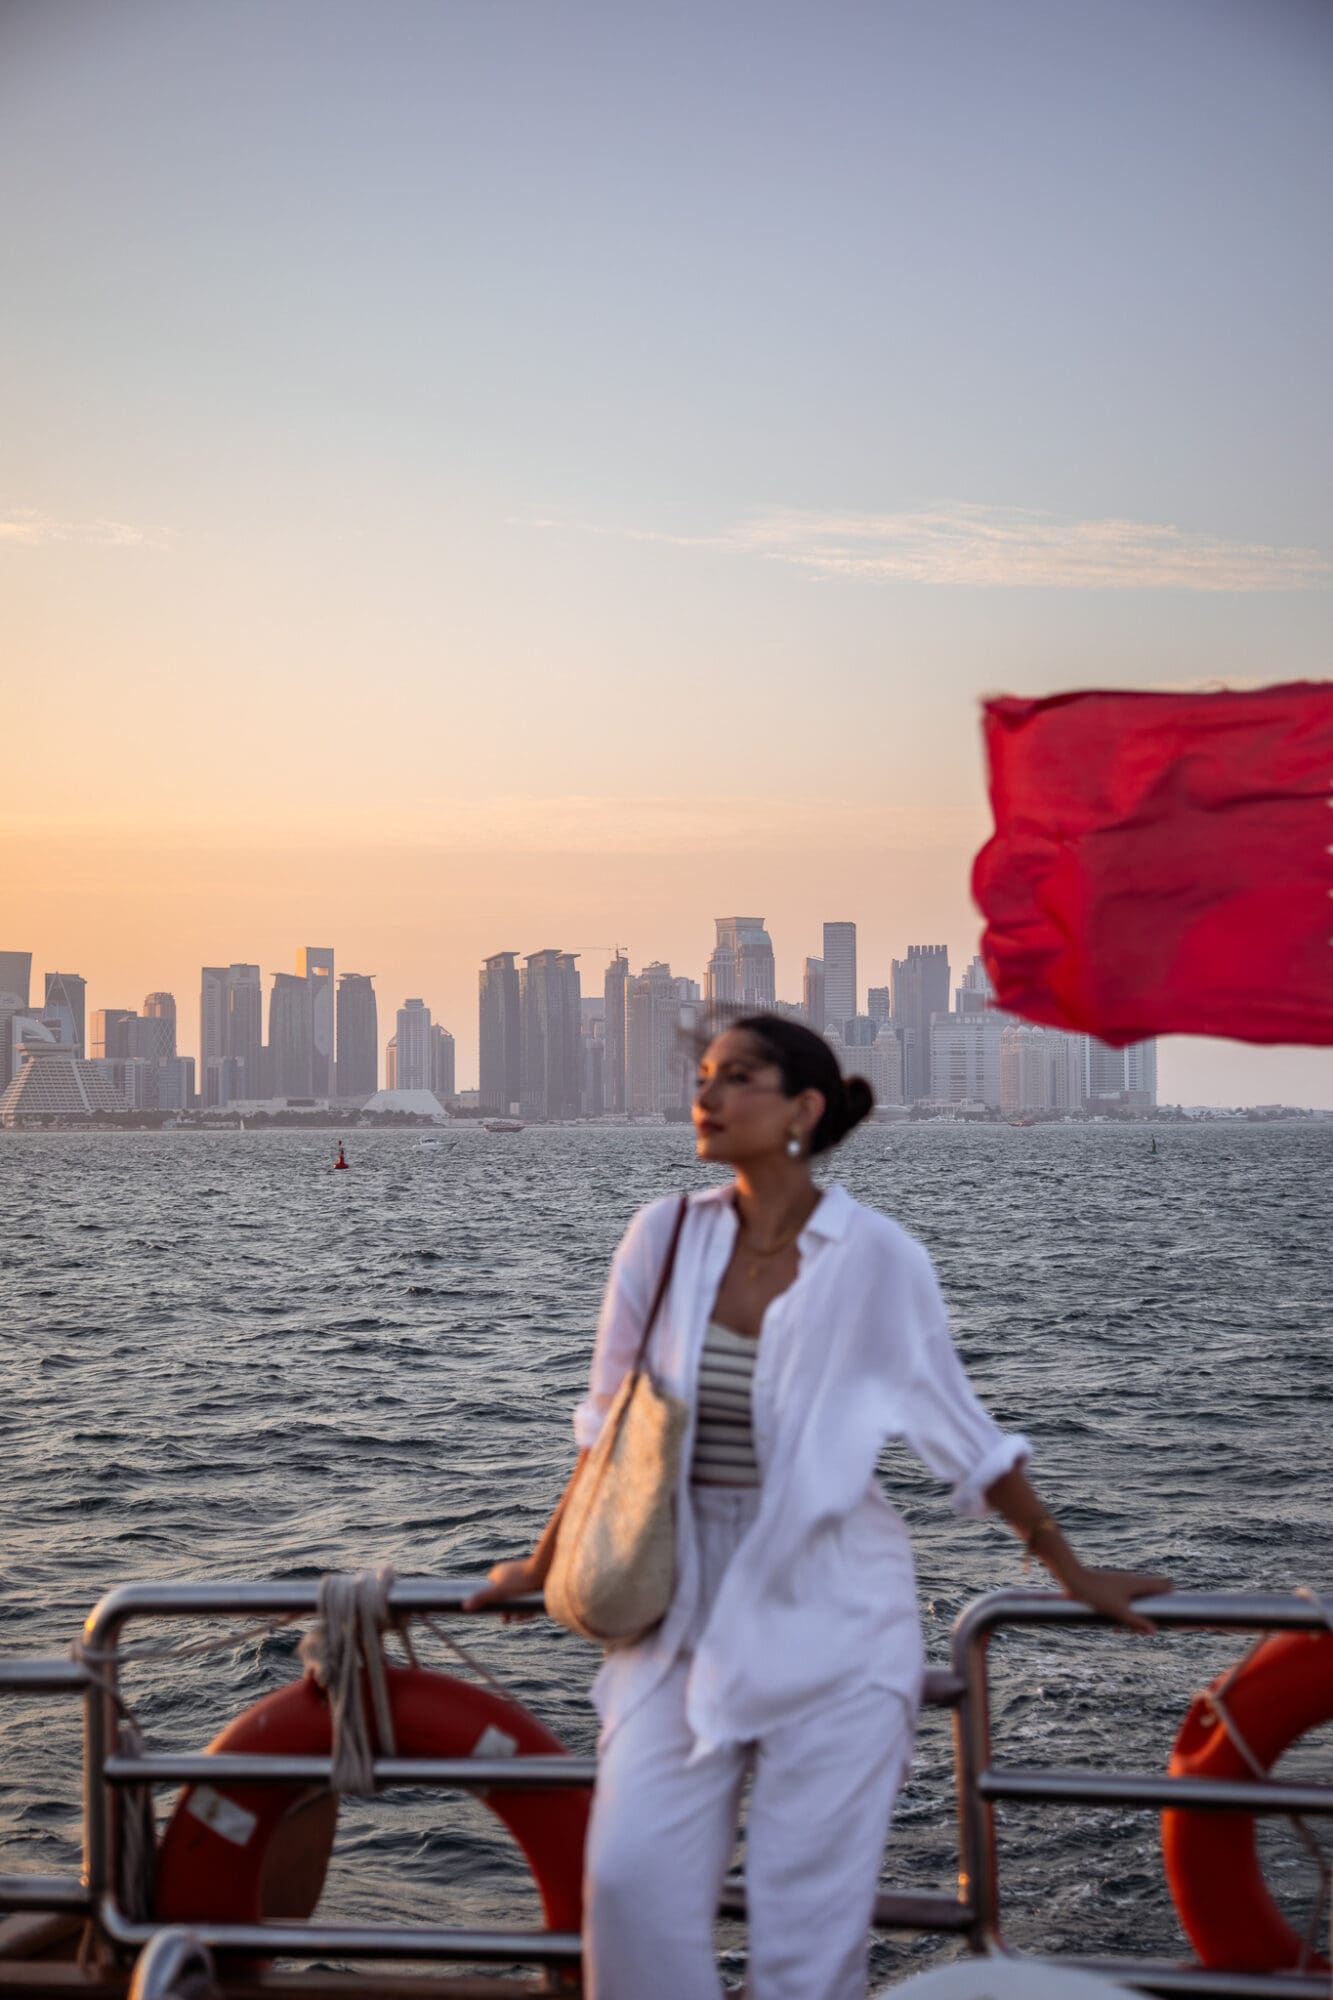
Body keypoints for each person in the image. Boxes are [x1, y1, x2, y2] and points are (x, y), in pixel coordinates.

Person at [467, 1014, 1168, 1999]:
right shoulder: (661, 1235)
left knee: (806, 1937)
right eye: (703, 1076)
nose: (706, 1096)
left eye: (737, 1077)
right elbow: (607, 1432)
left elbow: (962, 1432)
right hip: (676, 1611)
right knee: (627, 1887)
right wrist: (545, 1563)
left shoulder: (875, 1257)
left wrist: (1066, 1564)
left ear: (803, 1106)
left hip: (834, 1617)